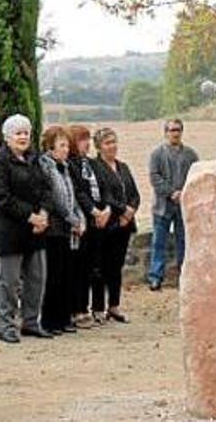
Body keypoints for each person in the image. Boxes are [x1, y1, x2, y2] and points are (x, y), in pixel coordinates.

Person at [0, 114, 53, 343]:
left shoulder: (34, 159)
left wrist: (43, 213)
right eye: (18, 133)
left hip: (36, 231)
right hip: (10, 232)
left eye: (26, 132)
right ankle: (6, 326)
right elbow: (1, 196)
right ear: (7, 137)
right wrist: (30, 216)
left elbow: (46, 189)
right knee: (9, 282)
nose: (23, 137)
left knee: (37, 278)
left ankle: (31, 322)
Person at [39, 126, 85, 335]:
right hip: (53, 229)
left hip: (67, 229)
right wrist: (74, 219)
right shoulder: (46, 167)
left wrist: (79, 219)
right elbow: (58, 200)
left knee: (67, 274)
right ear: (50, 147)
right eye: (62, 145)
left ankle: (64, 317)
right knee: (54, 276)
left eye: (67, 145)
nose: (66, 149)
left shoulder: (64, 168)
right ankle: (51, 320)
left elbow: (72, 197)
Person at [91, 128, 140, 323]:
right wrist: (122, 210)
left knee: (116, 267)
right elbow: (104, 196)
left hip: (124, 225)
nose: (112, 146)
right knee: (100, 267)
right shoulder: (96, 167)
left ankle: (114, 305)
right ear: (99, 147)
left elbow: (135, 194)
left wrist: (130, 211)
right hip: (107, 225)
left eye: (114, 142)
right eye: (107, 143)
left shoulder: (123, 167)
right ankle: (98, 307)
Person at [147, 118, 198, 291]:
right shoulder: (157, 154)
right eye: (171, 130)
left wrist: (184, 193)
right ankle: (156, 277)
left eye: (177, 130)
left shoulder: (191, 154)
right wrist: (171, 192)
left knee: (184, 242)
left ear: (182, 132)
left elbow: (196, 177)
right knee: (158, 243)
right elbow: (154, 177)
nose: (174, 133)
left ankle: (185, 275)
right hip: (162, 206)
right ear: (165, 132)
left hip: (184, 206)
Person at [67, 125, 110, 327]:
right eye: (82, 139)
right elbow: (79, 193)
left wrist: (107, 209)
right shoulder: (71, 165)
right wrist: (94, 211)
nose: (87, 143)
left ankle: (97, 308)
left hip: (99, 222)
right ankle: (78, 309)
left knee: (97, 266)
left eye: (87, 139)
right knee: (80, 268)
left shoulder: (93, 164)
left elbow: (105, 186)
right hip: (83, 221)